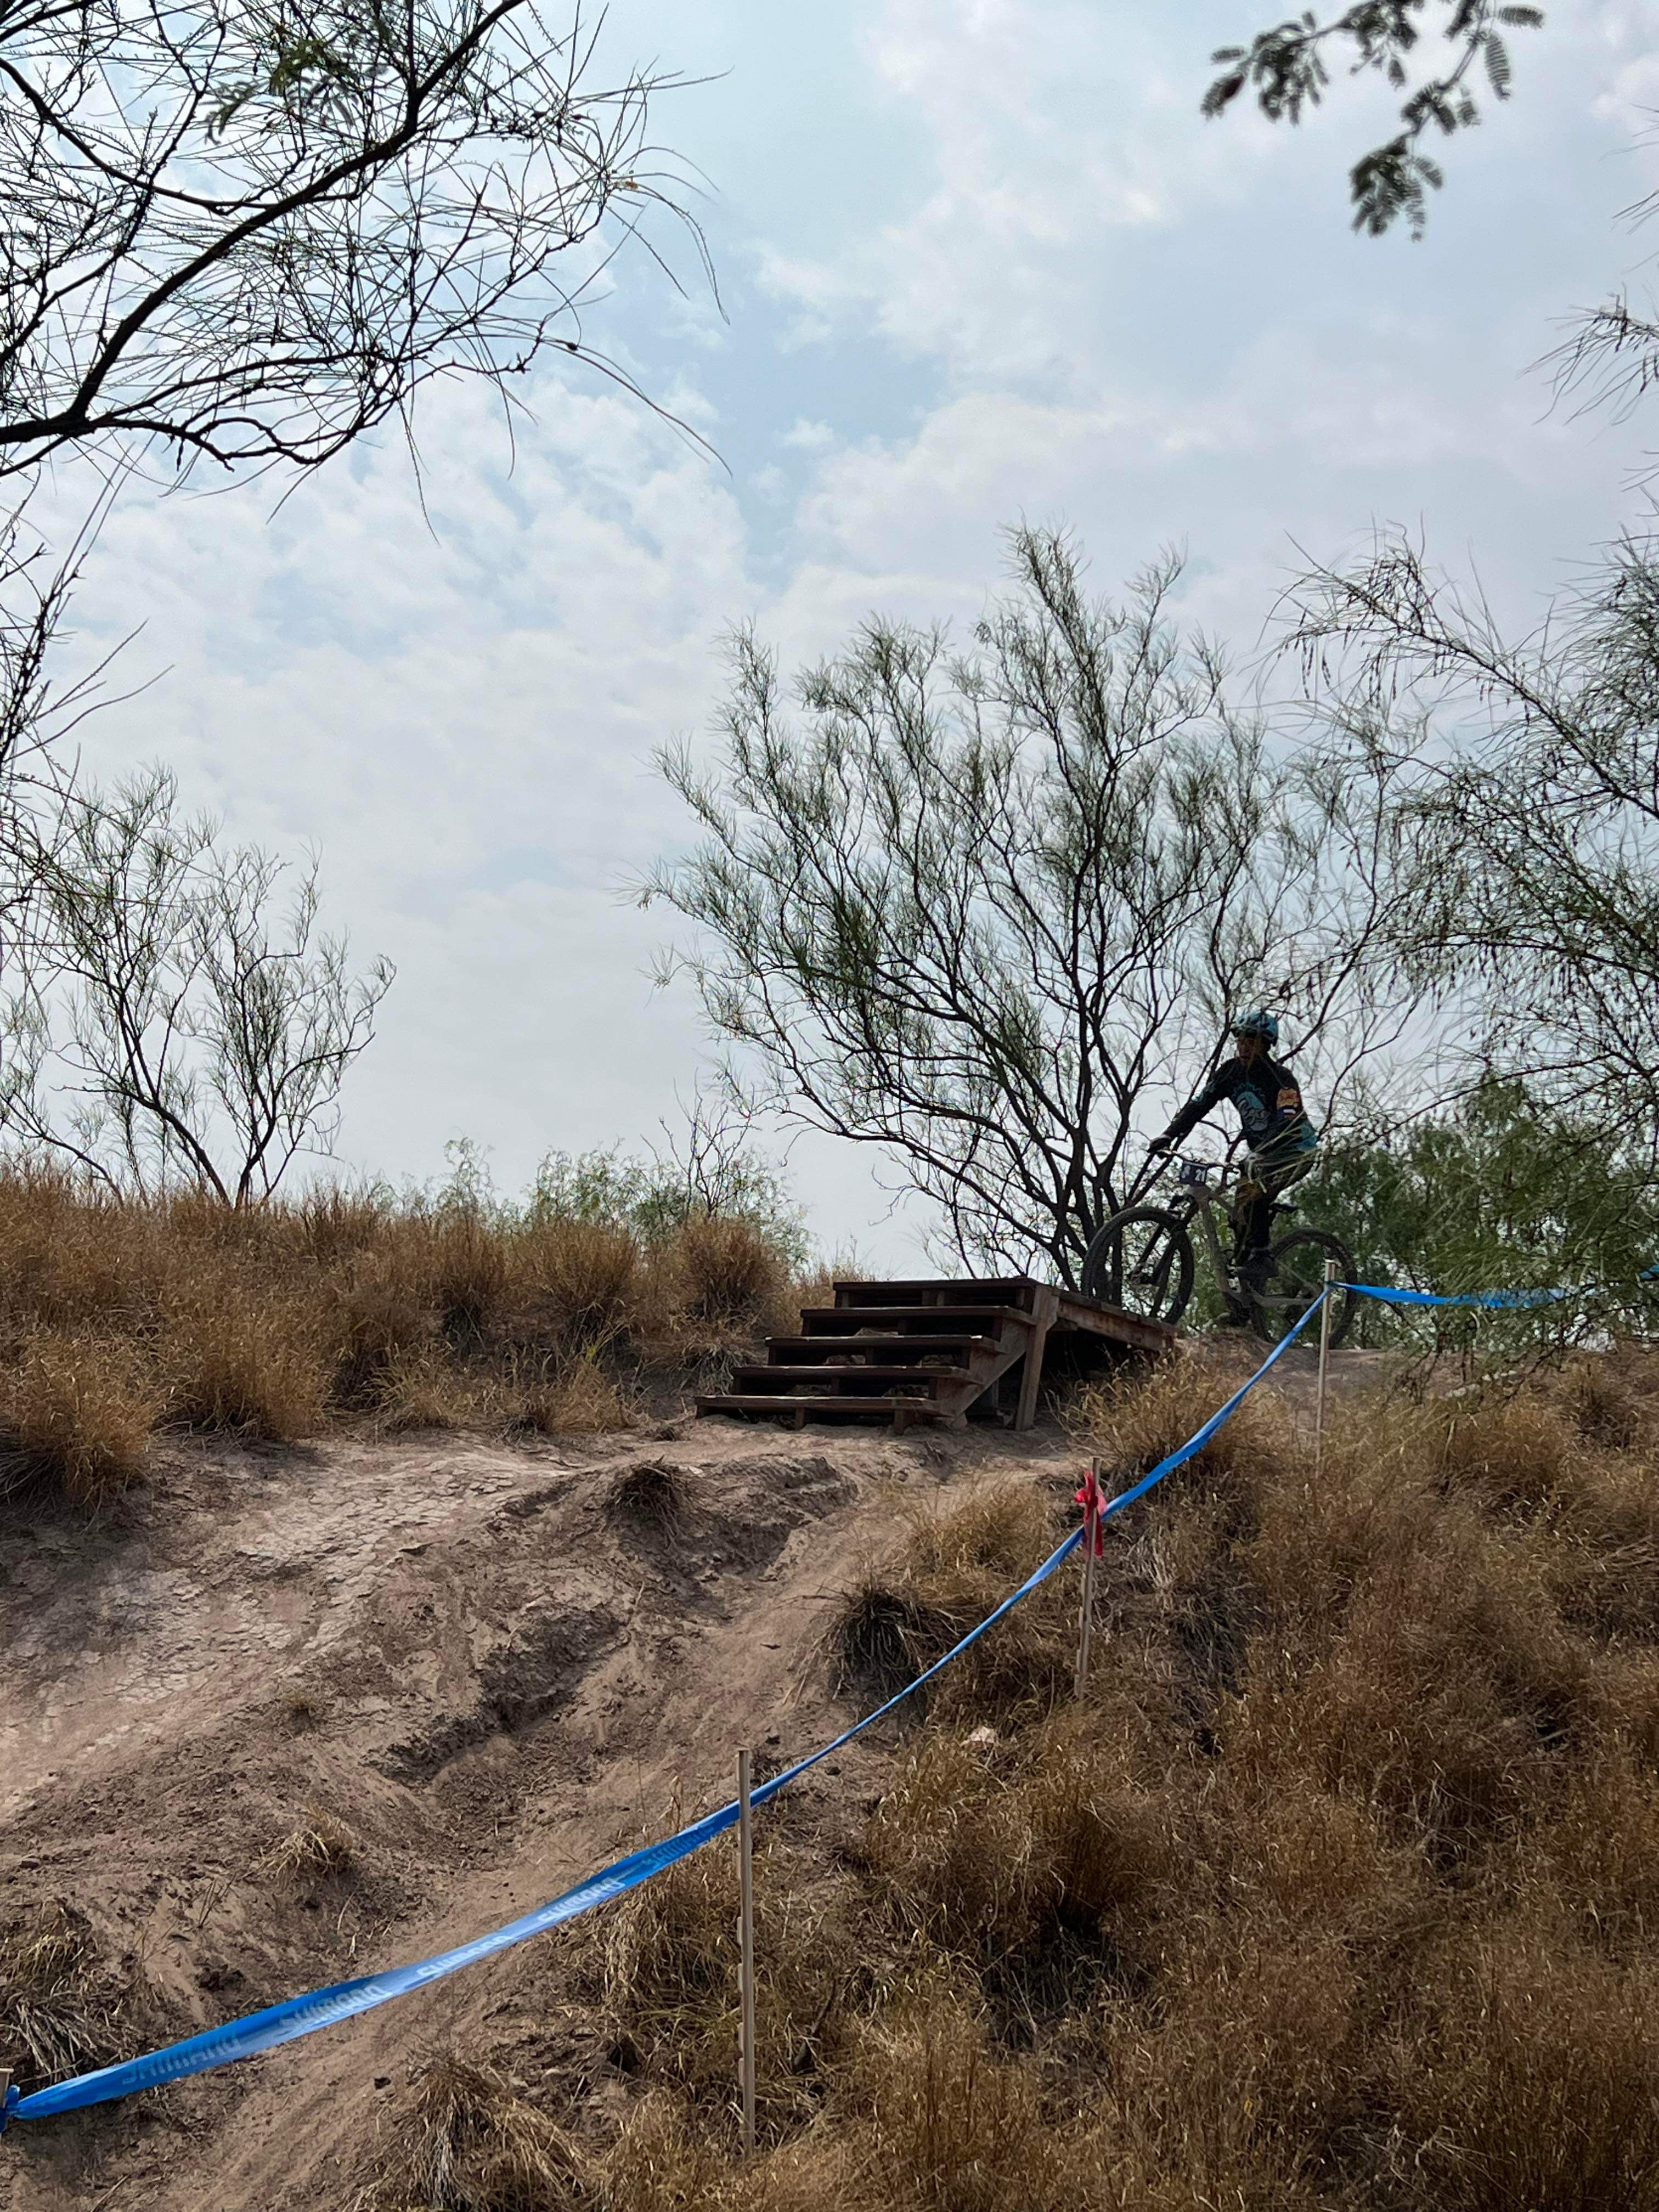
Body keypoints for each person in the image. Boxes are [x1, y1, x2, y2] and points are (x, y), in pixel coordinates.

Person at [1148, 1012, 1318, 1294]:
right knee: (1239, 1218)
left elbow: (1286, 1120)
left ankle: (1262, 1256)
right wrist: (1169, 1134)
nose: (1244, 1046)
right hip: (1261, 1156)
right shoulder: (1230, 1072)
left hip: (1295, 1151)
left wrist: (1260, 1153)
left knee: (1255, 1192)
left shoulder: (1282, 1079)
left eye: (1252, 1040)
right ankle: (1246, 1301)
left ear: (1266, 1044)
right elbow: (1199, 1105)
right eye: (1240, 1039)